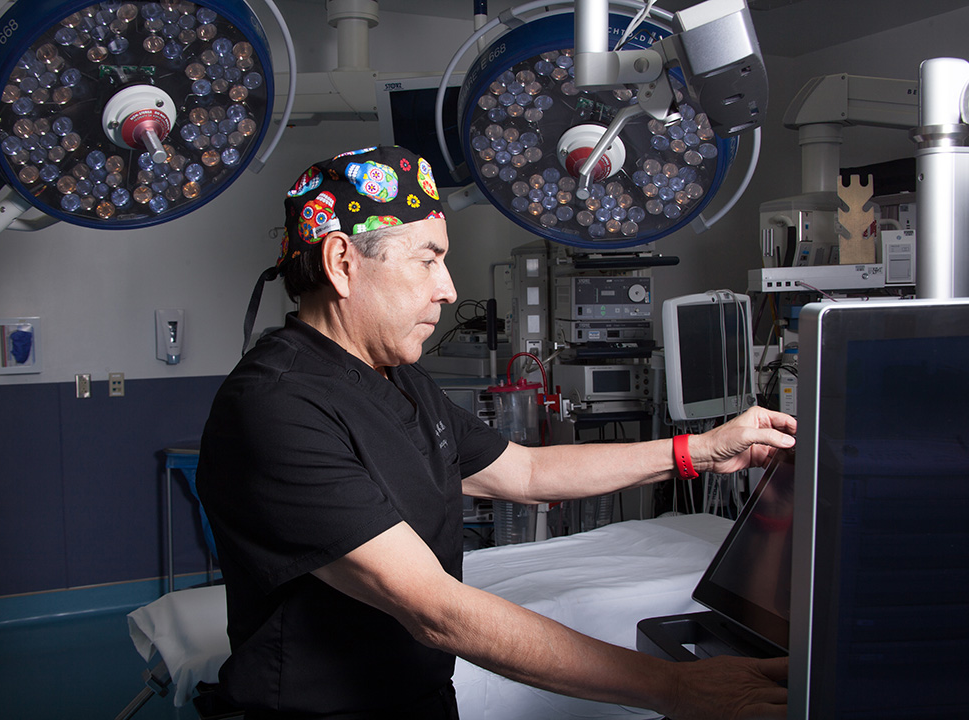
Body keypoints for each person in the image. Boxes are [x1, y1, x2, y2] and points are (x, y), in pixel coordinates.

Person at [196, 145, 797, 720]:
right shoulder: (276, 406)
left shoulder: (397, 377)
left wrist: (696, 450)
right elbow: (436, 608)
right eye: (428, 259)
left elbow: (526, 472)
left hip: (421, 700)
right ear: (341, 263)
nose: (449, 288)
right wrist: (677, 687)